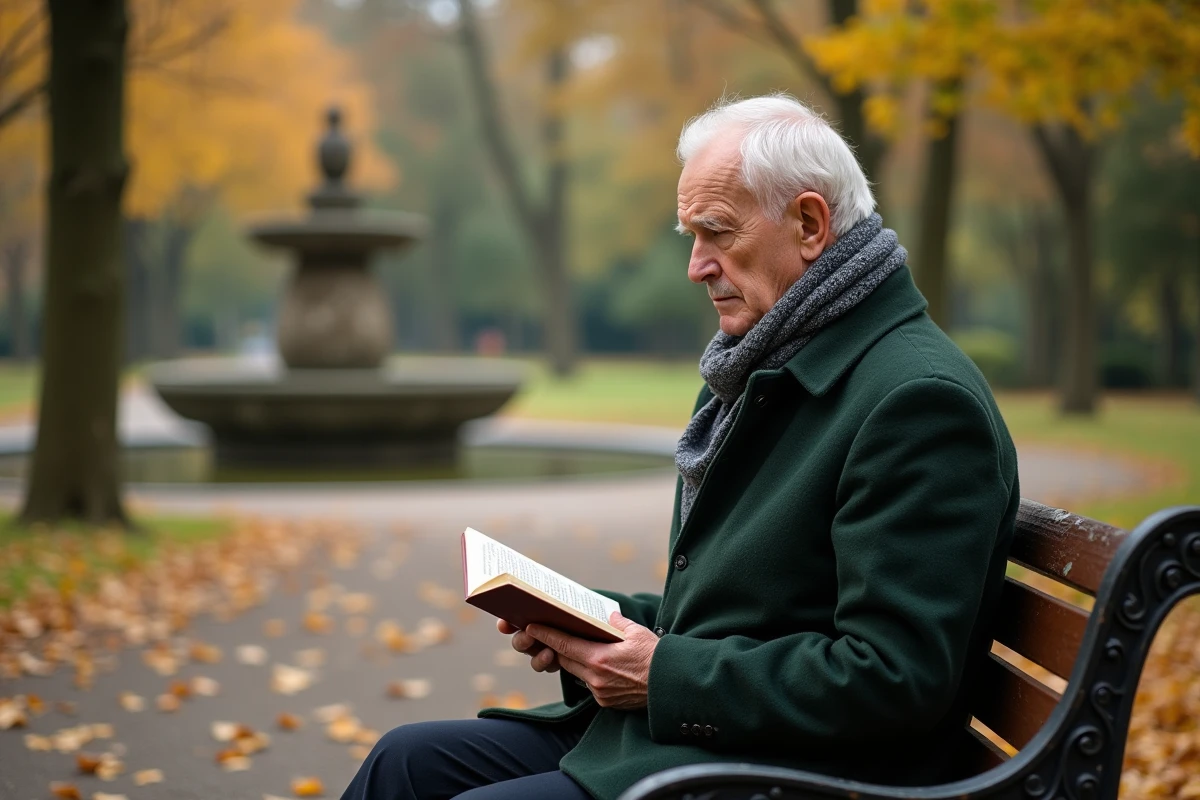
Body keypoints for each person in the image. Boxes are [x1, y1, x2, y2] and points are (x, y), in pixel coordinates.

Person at [340, 93, 1020, 800]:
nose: (697, 266)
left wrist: (659, 673)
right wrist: (591, 621)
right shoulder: (772, 362)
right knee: (404, 764)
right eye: (690, 236)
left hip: (795, 778)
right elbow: (749, 614)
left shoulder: (917, 400)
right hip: (702, 740)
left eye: (718, 232)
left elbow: (894, 680)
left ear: (811, 224)